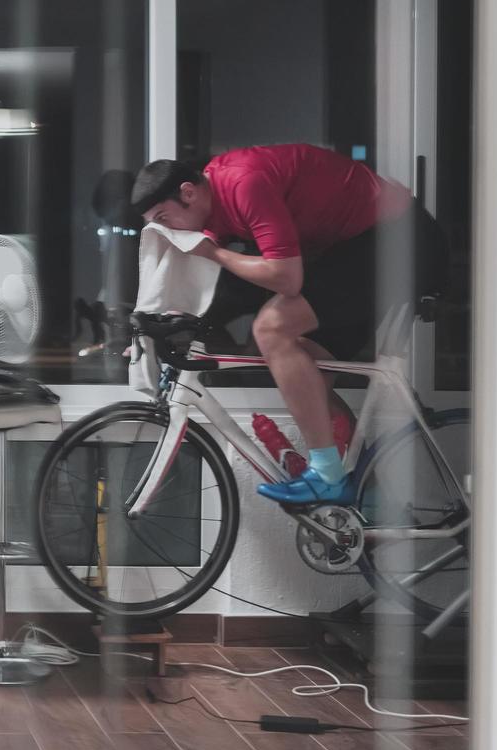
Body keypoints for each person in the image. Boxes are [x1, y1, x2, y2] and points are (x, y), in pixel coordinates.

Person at [130, 144, 446, 505]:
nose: (163, 230)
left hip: (400, 238)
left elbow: (286, 279)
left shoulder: (242, 182)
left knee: (271, 329)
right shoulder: (208, 204)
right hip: (355, 245)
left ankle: (327, 475)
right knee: (307, 375)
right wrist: (155, 325)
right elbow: (217, 288)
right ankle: (367, 500)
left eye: (162, 219)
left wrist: (214, 252)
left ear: (187, 193)